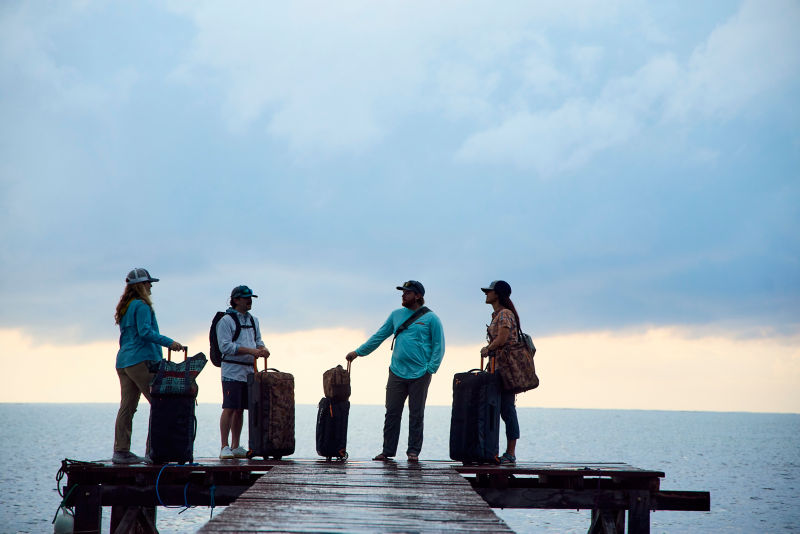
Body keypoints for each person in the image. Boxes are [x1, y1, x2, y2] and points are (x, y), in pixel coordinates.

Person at [346, 280, 445, 462]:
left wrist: (431, 369)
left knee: (416, 413)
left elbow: (439, 346)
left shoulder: (432, 318)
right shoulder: (396, 315)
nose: (403, 295)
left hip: (420, 374)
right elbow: (379, 336)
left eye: (407, 292)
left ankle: (413, 452)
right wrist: (358, 352)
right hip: (397, 372)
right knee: (392, 412)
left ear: (418, 296)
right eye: (402, 292)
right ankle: (387, 451)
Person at [113, 268, 183, 465]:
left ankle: (121, 451)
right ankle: (154, 451)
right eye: (148, 283)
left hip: (123, 361)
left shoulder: (125, 307)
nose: (151, 286)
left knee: (127, 407)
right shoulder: (143, 306)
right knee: (161, 404)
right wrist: (170, 343)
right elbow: (145, 332)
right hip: (141, 360)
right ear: (141, 286)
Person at [217, 285, 270, 459]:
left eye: (251, 298)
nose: (249, 301)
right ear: (236, 300)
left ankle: (235, 445)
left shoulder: (254, 320)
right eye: (246, 298)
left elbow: (258, 340)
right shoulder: (226, 321)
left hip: (248, 371)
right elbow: (225, 346)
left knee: (240, 409)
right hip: (231, 370)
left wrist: (262, 348)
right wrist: (251, 351)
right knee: (230, 407)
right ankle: (224, 446)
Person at [480, 280, 523, 464]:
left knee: (507, 409)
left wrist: (488, 348)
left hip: (504, 369)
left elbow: (503, 338)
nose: (486, 294)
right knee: (500, 409)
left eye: (489, 291)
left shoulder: (504, 314)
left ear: (497, 294)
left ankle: (510, 453)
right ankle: (496, 451)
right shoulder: (498, 314)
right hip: (498, 368)